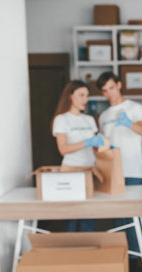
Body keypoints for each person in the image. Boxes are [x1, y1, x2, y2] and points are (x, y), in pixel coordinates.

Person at [96, 72, 142, 272]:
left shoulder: (135, 108)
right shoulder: (104, 116)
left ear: (119, 85)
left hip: (131, 169)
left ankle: (138, 263)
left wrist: (129, 123)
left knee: (133, 216)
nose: (108, 93)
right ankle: (123, 259)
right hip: (111, 172)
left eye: (111, 87)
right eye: (104, 90)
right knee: (117, 217)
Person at [52, 80, 104, 232]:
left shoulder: (89, 120)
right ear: (70, 96)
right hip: (71, 171)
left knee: (88, 217)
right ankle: (71, 254)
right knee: (72, 218)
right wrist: (87, 141)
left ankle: (86, 254)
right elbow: (63, 149)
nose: (85, 100)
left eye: (87, 96)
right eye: (81, 95)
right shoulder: (61, 119)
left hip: (89, 170)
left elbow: (95, 148)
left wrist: (102, 145)